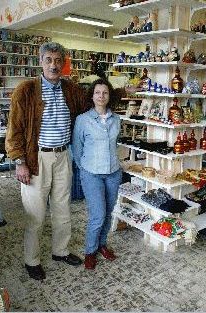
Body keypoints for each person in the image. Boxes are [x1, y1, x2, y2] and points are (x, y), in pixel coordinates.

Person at [5, 42, 90, 280]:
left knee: (63, 209)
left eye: (58, 61)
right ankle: (31, 260)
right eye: (49, 60)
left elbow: (88, 112)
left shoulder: (72, 90)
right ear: (41, 62)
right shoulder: (26, 90)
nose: (54, 65)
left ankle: (60, 251)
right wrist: (19, 162)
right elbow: (14, 130)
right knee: (36, 213)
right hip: (36, 158)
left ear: (64, 64)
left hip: (64, 155)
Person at [72, 78, 122, 270]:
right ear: (92, 96)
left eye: (105, 93)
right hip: (91, 174)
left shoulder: (116, 119)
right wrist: (84, 169)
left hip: (113, 173)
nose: (101, 96)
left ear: (109, 96)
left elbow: (114, 145)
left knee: (108, 213)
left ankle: (102, 245)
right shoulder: (83, 120)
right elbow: (77, 149)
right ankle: (90, 251)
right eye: (97, 93)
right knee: (98, 215)